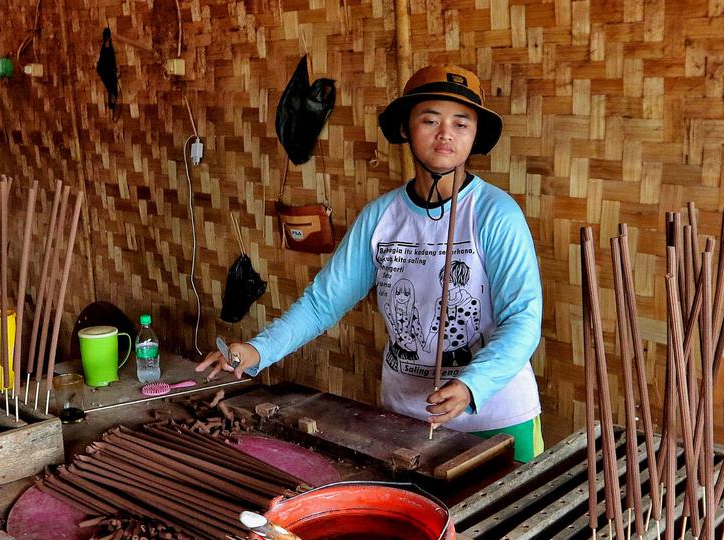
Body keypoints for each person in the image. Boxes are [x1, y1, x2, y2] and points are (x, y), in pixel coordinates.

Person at [197, 65, 544, 462]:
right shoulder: (382, 217)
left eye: (461, 123)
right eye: (430, 120)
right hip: (406, 421)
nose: (446, 133)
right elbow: (322, 303)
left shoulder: (496, 214)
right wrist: (258, 351)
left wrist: (472, 386)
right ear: (405, 129)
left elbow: (523, 317)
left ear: (474, 135)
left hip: (496, 419)